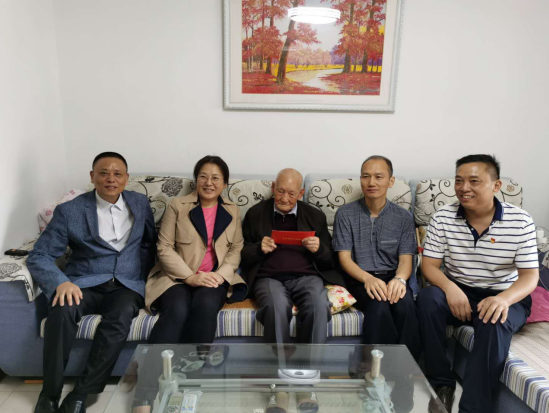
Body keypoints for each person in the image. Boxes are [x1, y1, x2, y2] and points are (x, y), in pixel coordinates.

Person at [27, 152, 157, 413]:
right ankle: (49, 394)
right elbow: (39, 255)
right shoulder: (70, 210)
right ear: (92, 176)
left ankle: (80, 395)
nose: (111, 179)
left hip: (126, 285)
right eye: (103, 173)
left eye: (117, 174)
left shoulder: (140, 203)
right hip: (83, 282)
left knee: (120, 317)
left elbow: (148, 243)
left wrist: (144, 278)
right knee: (61, 310)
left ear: (127, 178)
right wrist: (60, 282)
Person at [416, 154, 539, 413]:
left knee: (493, 319)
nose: (464, 188)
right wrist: (450, 288)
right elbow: (429, 266)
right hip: (459, 291)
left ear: (496, 185)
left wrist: (503, 299)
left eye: (474, 181)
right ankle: (442, 384)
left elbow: (530, 276)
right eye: (459, 181)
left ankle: (473, 408)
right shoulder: (443, 217)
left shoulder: (520, 220)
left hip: (504, 294)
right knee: (427, 299)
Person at [145, 155, 246, 344]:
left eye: (215, 178)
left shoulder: (233, 210)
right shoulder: (177, 205)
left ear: (225, 184)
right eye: (203, 177)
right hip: (176, 278)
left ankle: (195, 362)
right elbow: (164, 247)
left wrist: (220, 275)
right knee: (177, 308)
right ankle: (154, 362)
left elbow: (236, 247)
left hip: (213, 278)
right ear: (196, 180)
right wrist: (189, 277)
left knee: (205, 306)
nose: (209, 183)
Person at [240, 168, 344, 345]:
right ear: (273, 187)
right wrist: (258, 248)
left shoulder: (315, 216)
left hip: (307, 277)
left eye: (291, 193)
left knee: (318, 307)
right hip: (268, 278)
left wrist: (319, 249)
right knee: (276, 308)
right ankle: (279, 360)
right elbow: (241, 255)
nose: (284, 198)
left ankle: (309, 361)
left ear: (301, 193)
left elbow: (330, 261)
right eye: (280, 191)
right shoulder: (255, 214)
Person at [332, 155, 421, 361]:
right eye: (366, 176)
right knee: (379, 305)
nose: (371, 182)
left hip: (392, 276)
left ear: (391, 181)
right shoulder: (345, 214)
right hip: (359, 278)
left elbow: (406, 260)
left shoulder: (403, 217)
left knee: (406, 306)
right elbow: (344, 259)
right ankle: (375, 368)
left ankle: (407, 368)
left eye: (379, 177)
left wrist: (399, 280)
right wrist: (368, 279)